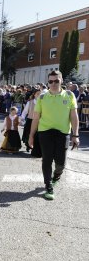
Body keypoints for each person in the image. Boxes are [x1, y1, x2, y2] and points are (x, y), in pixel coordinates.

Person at [29, 70, 79, 200]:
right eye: (51, 81)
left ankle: (56, 175)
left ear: (61, 80)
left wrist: (76, 135)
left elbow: (74, 117)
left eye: (56, 80)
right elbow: (36, 118)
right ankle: (48, 185)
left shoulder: (69, 95)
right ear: (48, 82)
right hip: (45, 132)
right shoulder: (42, 97)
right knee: (47, 159)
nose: (53, 83)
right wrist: (31, 135)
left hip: (63, 133)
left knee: (61, 163)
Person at [21, 87, 41, 152]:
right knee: (28, 134)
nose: (39, 95)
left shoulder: (42, 103)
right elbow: (25, 111)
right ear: (34, 94)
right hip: (30, 120)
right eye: (37, 94)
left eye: (40, 94)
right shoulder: (30, 102)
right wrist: (22, 118)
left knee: (36, 134)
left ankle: (35, 147)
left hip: (38, 121)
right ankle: (28, 146)